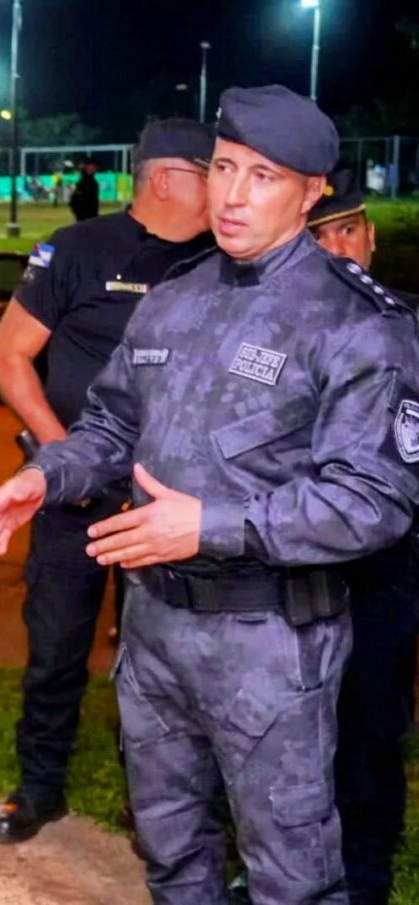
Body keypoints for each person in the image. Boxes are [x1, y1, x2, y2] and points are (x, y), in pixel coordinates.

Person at [0, 85, 419, 903]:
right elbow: (109, 425)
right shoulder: (175, 299)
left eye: (264, 177)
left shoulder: (356, 324)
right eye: (224, 168)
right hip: (155, 632)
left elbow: (372, 501)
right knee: (172, 853)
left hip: (272, 641)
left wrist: (209, 524)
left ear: (313, 192)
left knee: (292, 877)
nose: (234, 195)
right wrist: (48, 473)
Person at [0, 119, 215, 844]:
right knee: (56, 649)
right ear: (168, 178)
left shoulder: (223, 260)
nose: (229, 188)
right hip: (76, 502)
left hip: (170, 512)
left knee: (159, 668)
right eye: (216, 172)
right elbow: (8, 356)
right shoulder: (80, 250)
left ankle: (154, 805)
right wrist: (62, 460)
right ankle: (39, 788)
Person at [308, 169, 419, 905]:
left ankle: (367, 874)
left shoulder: (411, 325)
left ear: (371, 237)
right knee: (296, 733)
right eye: (320, 236)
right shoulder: (286, 334)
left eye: (349, 228)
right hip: (301, 567)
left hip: (388, 570)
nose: (339, 247)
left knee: (373, 726)